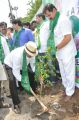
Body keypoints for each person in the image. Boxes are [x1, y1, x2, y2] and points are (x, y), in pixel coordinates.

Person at [43, 3, 77, 101]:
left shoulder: (63, 20)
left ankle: (70, 92)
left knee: (69, 72)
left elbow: (67, 38)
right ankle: (66, 88)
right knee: (63, 72)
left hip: (67, 52)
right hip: (60, 52)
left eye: (49, 15)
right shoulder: (54, 21)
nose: (48, 18)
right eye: (47, 16)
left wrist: (56, 47)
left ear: (54, 10)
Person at [4, 41, 38, 113]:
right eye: (30, 55)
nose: (31, 56)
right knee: (12, 81)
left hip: (22, 64)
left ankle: (32, 91)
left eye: (32, 55)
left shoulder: (32, 53)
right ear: (26, 51)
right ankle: (16, 104)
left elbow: (32, 64)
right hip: (10, 64)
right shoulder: (18, 55)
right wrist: (23, 81)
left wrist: (35, 73)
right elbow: (15, 71)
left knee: (31, 73)